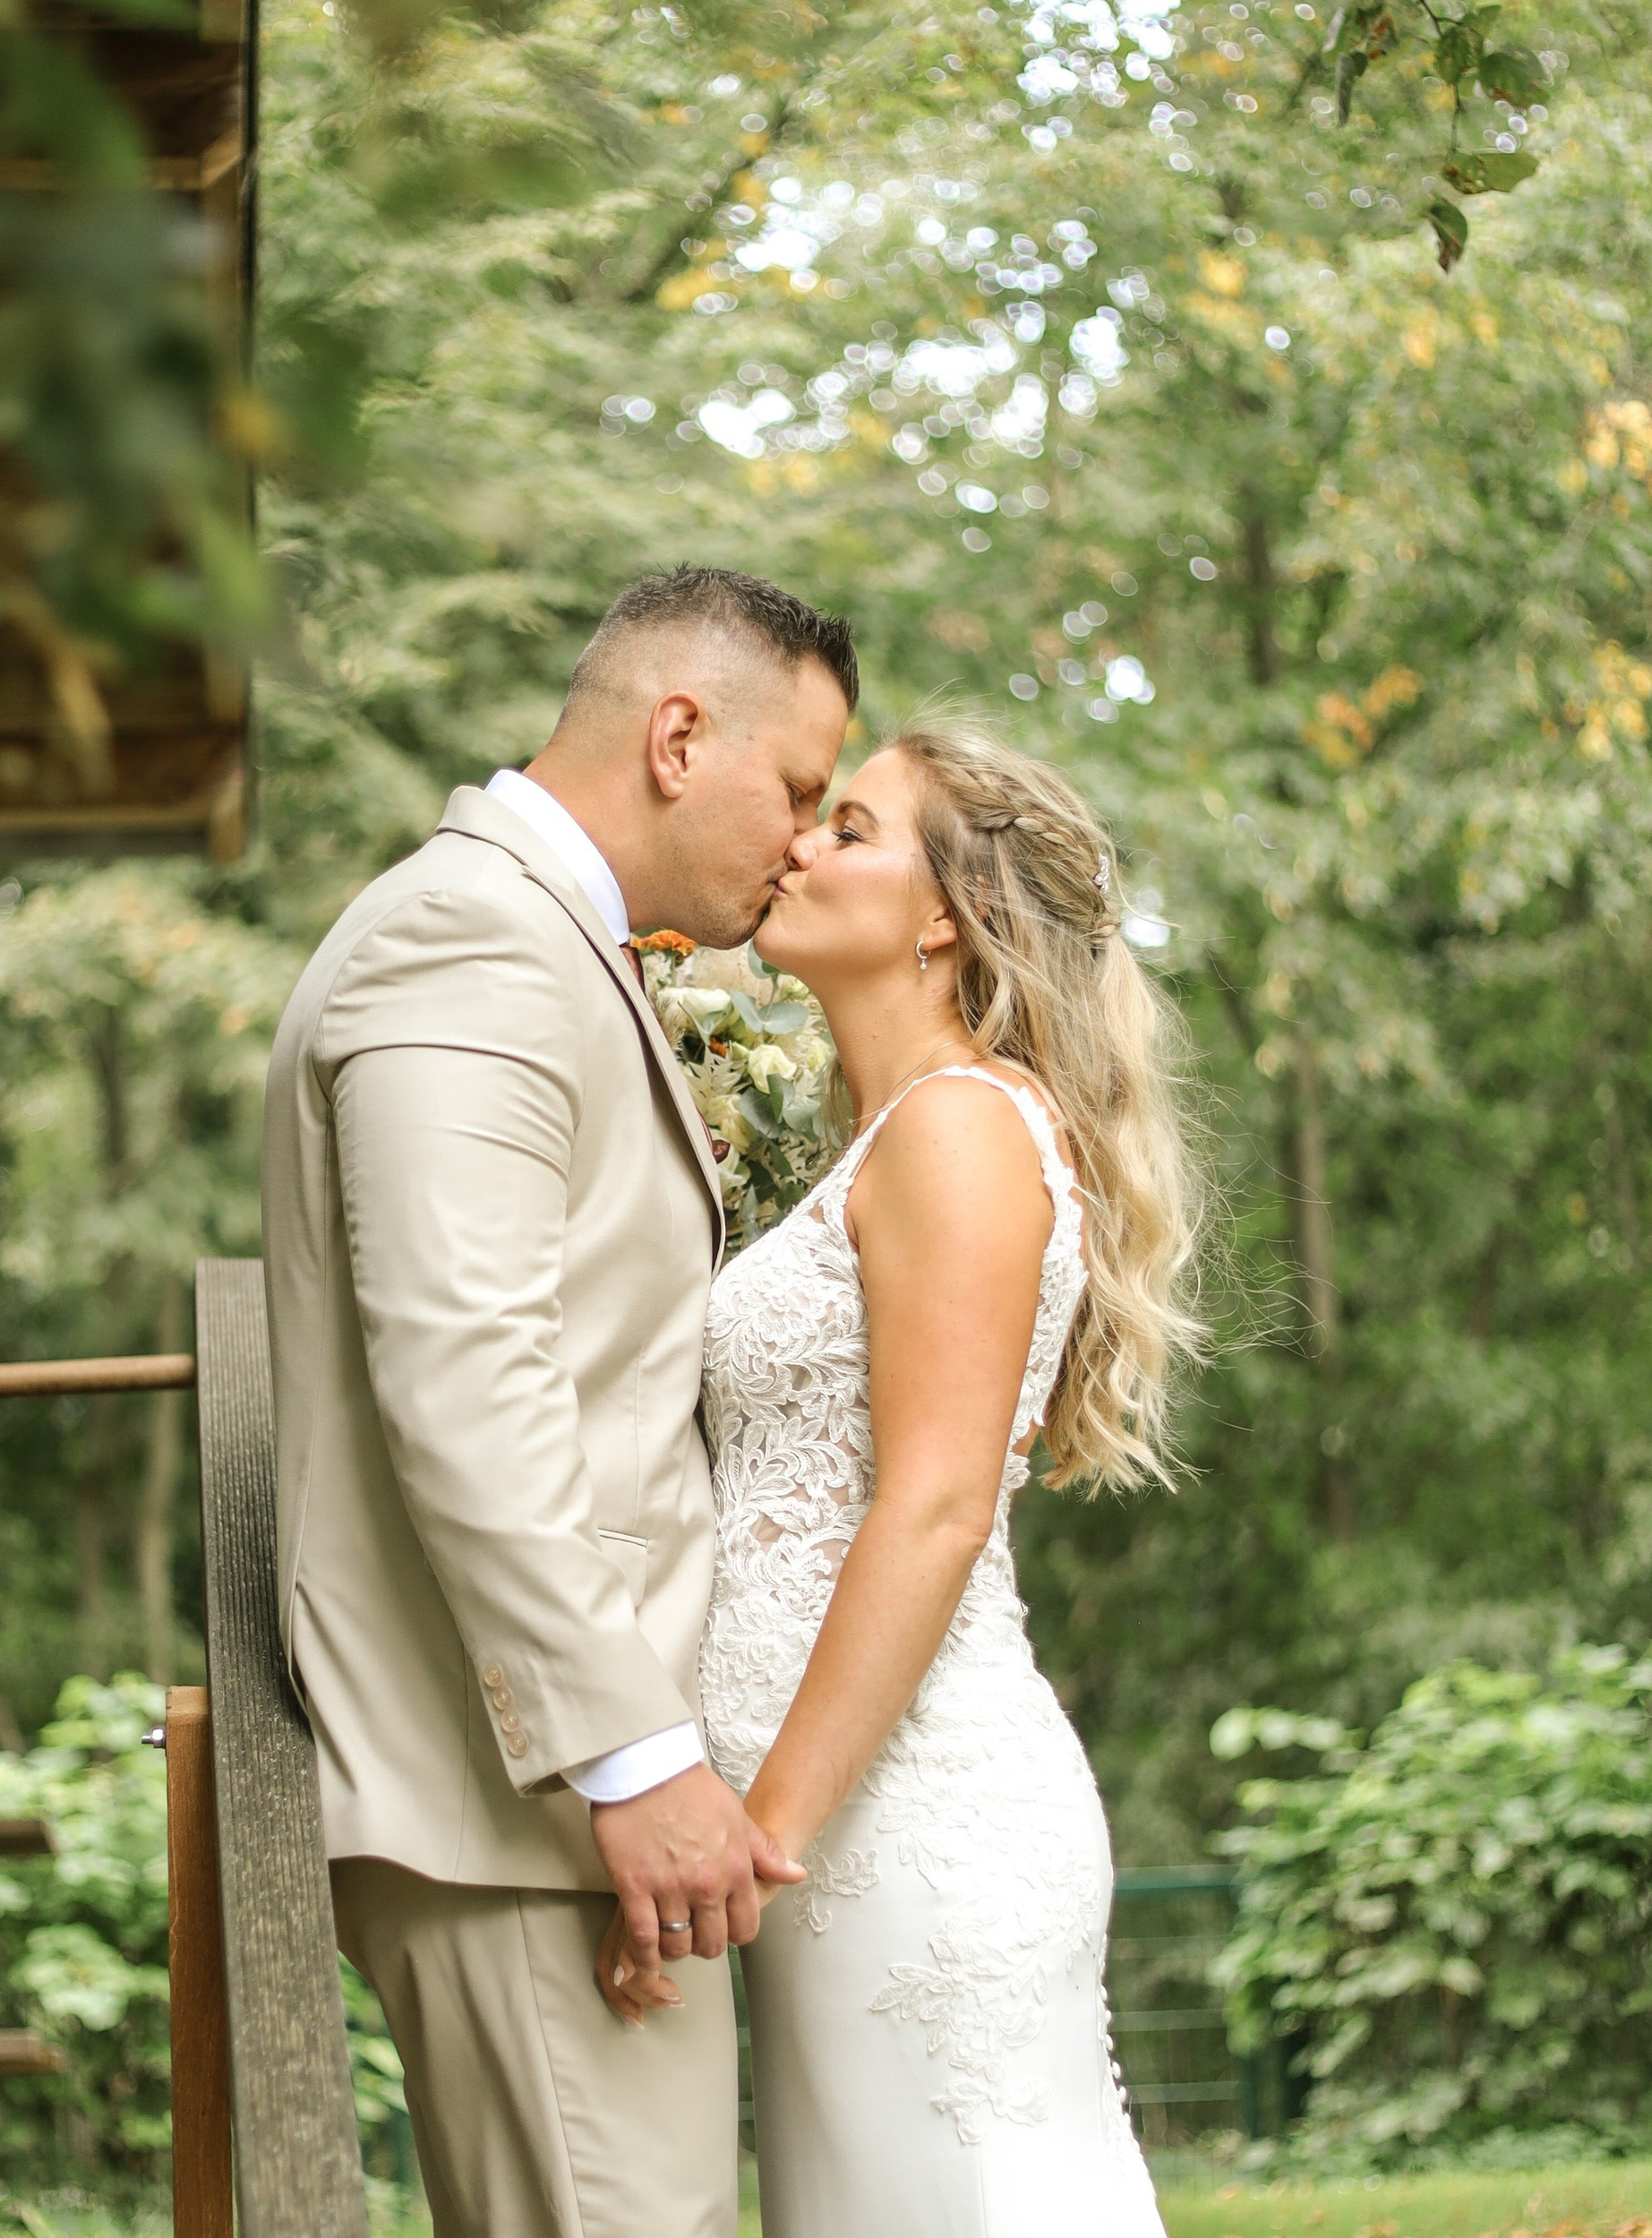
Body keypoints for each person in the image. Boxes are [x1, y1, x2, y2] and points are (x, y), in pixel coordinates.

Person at [261, 566, 854, 2238]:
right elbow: (468, 1373)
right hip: (519, 1803)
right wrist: (631, 1756)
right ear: (679, 735)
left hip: (546, 1814)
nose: (805, 840)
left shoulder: (537, 942)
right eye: (797, 788)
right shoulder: (471, 941)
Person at [602, 721, 1210, 2235]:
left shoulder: (959, 1130)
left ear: (946, 912)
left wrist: (762, 1841)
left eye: (852, 827)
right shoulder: (889, 1137)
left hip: (901, 1830)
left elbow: (934, 1507)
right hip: (832, 1840)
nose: (800, 842)